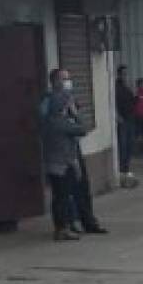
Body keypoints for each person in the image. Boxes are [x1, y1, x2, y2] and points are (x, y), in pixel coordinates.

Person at [41, 70, 88, 241]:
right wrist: (75, 113)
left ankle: (65, 226)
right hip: (63, 163)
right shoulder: (60, 122)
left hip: (54, 162)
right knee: (63, 196)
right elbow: (82, 129)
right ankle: (63, 228)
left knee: (60, 196)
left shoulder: (48, 122)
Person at [115, 65, 137, 179]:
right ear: (119, 74)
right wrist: (117, 115)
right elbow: (114, 102)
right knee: (122, 144)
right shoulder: (116, 87)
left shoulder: (127, 87)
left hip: (130, 117)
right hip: (122, 119)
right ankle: (121, 168)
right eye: (123, 74)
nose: (125, 76)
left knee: (130, 144)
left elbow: (132, 101)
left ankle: (126, 167)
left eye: (126, 74)